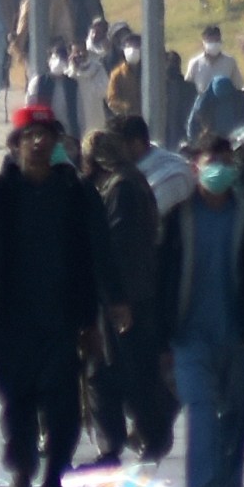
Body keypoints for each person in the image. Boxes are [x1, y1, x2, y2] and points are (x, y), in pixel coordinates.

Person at [0, 102, 123, 487]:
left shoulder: (75, 191)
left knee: (63, 404)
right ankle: (21, 470)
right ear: (15, 144)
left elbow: (100, 250)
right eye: (30, 136)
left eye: (45, 135)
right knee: (17, 401)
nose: (38, 142)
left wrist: (113, 302)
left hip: (64, 318)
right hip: (9, 321)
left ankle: (52, 478)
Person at [157, 134, 244, 487]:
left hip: (239, 335)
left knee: (236, 418)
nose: (219, 170)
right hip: (190, 337)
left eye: (226, 162)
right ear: (197, 167)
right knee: (202, 410)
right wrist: (161, 337)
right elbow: (161, 279)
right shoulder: (178, 219)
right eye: (213, 162)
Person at [83, 128, 171, 468]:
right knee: (124, 371)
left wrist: (116, 297)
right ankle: (140, 438)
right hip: (134, 294)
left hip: (123, 298)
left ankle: (129, 442)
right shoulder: (131, 182)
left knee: (110, 372)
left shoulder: (120, 188)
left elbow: (119, 247)